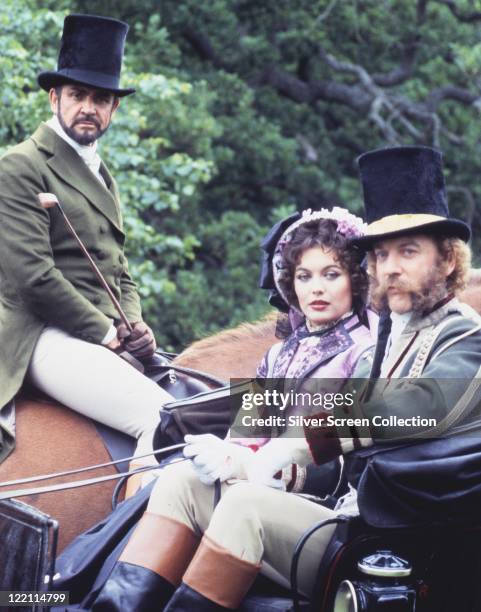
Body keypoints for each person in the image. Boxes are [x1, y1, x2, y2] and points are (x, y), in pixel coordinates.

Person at [91, 206, 376, 611]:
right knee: (177, 481)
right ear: (289, 283)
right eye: (304, 276)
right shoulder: (278, 354)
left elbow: (341, 462)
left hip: (328, 519)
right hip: (260, 490)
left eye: (331, 274)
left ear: (355, 280)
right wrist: (222, 453)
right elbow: (245, 435)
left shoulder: (366, 353)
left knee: (241, 502)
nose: (317, 288)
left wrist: (249, 467)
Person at [0, 14, 173, 484]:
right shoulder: (21, 165)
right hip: (39, 336)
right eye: (77, 95)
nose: (88, 108)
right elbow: (32, 277)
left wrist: (134, 324)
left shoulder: (101, 173)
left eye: (100, 99)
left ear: (113, 108)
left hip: (96, 333)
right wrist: (106, 333)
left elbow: (119, 269)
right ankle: (130, 552)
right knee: (166, 420)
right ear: (55, 97)